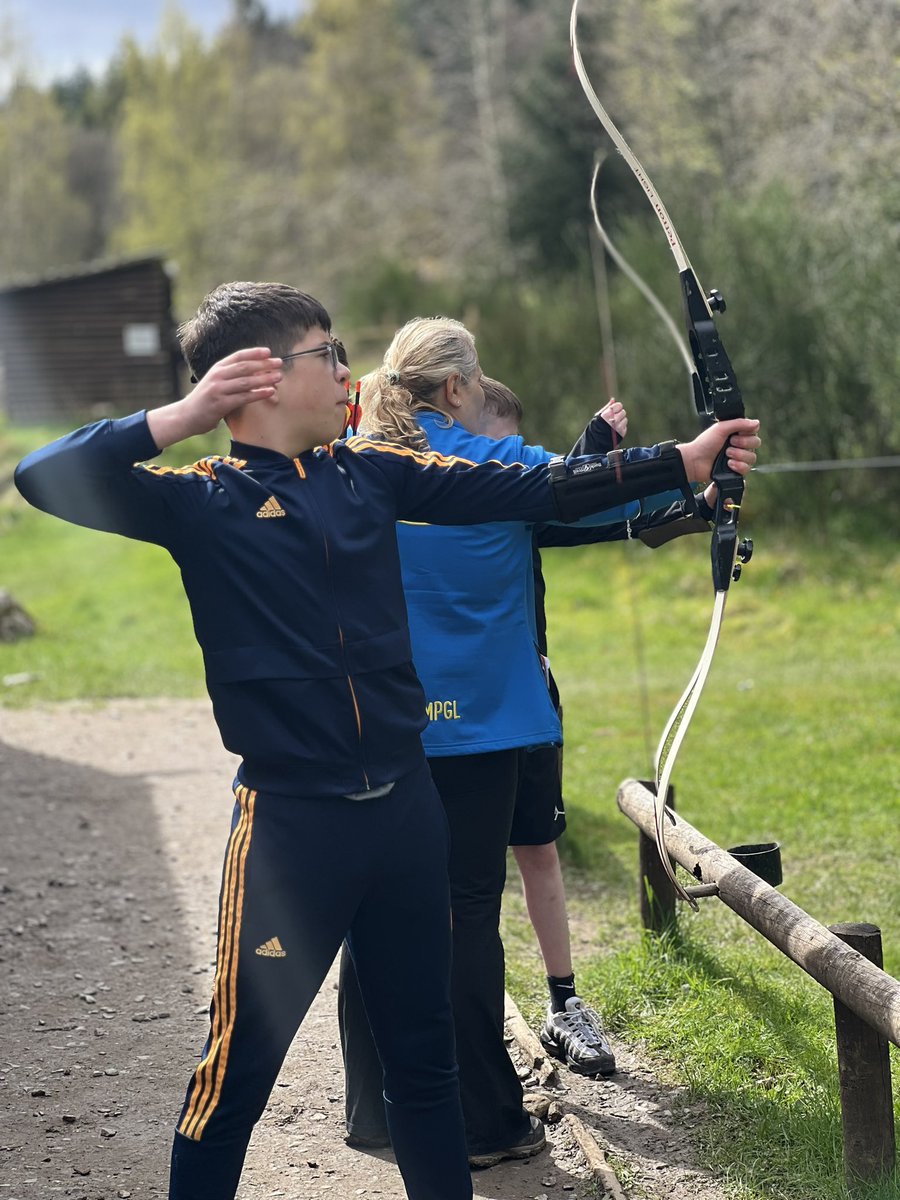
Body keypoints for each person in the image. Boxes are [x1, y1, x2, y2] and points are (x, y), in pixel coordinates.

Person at [13, 284, 755, 1200]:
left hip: (406, 818)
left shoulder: (374, 473)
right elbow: (42, 475)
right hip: (293, 835)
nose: (347, 373)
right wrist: (186, 413)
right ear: (262, 379)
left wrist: (681, 460)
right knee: (234, 1081)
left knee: (427, 1073)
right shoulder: (200, 501)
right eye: (328, 354)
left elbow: (534, 483)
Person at [338, 317, 761, 1168]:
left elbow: (575, 503)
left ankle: (378, 1111)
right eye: (478, 372)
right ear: (456, 389)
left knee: (376, 904)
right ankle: (486, 1120)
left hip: (375, 727)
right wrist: (698, 458)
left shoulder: (359, 461)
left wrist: (692, 491)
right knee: (462, 913)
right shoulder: (489, 468)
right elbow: (576, 486)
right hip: (477, 728)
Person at [479, 378, 627, 1078]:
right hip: (460, 713)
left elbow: (573, 497)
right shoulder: (433, 501)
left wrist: (596, 446)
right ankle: (470, 1019)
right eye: (496, 448)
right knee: (467, 873)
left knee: (538, 847)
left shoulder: (522, 501)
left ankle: (564, 1004)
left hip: (530, 702)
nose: (511, 465)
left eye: (518, 450)